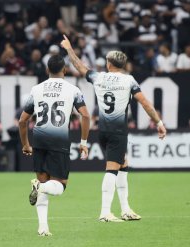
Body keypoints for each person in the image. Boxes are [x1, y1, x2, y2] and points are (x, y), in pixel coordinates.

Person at [61, 35, 167, 222]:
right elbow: (145, 104)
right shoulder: (129, 81)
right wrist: (158, 122)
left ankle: (125, 209)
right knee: (112, 170)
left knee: (123, 165)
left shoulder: (99, 78)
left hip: (103, 130)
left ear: (109, 64)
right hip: (118, 132)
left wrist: (69, 49)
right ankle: (104, 212)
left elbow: (79, 66)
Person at [18, 54, 90, 236]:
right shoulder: (73, 89)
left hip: (39, 138)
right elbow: (86, 115)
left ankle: (43, 228)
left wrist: (26, 144)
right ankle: (40, 187)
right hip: (59, 140)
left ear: (47, 70)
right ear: (64, 70)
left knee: (43, 179)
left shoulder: (36, 89)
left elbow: (22, 121)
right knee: (59, 186)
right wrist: (83, 143)